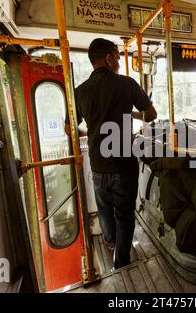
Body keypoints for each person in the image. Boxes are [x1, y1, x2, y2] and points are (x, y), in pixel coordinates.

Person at [65, 38, 157, 270]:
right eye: (117, 57)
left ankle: (110, 244)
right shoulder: (127, 84)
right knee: (124, 213)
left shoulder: (80, 91)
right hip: (124, 163)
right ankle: (122, 260)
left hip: (97, 164)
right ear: (108, 58)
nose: (117, 62)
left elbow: (69, 128)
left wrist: (92, 131)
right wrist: (133, 115)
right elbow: (151, 114)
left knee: (104, 208)